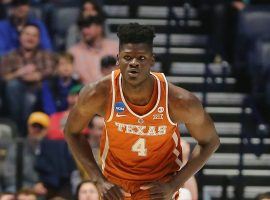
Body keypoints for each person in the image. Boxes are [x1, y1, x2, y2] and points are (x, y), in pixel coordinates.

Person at [64, 23, 220, 199]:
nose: (134, 64)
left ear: (152, 60)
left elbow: (210, 141)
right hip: (116, 188)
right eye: (127, 57)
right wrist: (98, 179)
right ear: (118, 58)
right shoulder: (98, 93)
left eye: (141, 58)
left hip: (159, 189)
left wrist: (175, 184)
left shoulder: (179, 100)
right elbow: (71, 132)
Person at [0, 23, 56, 134]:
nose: (30, 38)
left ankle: (22, 130)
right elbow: (3, 77)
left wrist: (38, 75)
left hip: (37, 91)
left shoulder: (45, 55)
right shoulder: (9, 56)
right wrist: (19, 73)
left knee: (30, 96)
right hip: (15, 94)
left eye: (34, 35)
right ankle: (19, 127)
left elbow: (52, 71)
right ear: (20, 37)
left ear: (39, 39)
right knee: (13, 85)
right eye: (27, 34)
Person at [2, 112, 49, 195]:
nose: (37, 129)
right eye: (34, 126)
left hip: (46, 191)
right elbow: (8, 176)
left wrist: (45, 187)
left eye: (41, 127)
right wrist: (31, 188)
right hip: (19, 190)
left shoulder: (53, 150)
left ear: (46, 130)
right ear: (28, 127)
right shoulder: (17, 147)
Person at [68, 15, 118, 84]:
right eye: (82, 28)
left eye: (88, 26)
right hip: (85, 92)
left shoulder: (115, 47)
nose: (84, 31)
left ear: (99, 28)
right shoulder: (73, 52)